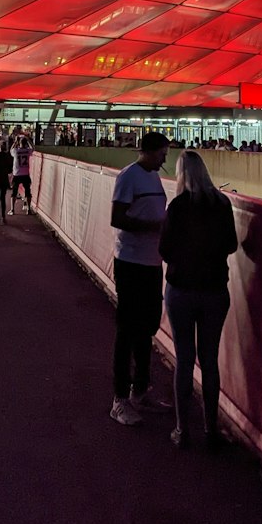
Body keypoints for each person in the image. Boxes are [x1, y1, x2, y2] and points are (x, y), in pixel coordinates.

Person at [158, 150, 238, 451]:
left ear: (181, 175)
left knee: (184, 359)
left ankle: (182, 429)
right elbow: (231, 244)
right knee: (209, 360)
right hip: (215, 289)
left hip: (181, 288)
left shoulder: (178, 206)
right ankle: (211, 429)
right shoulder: (222, 203)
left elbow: (164, 248)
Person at [108, 131, 170, 426]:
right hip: (131, 261)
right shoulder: (128, 176)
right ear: (148, 151)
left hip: (151, 262)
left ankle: (140, 390)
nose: (165, 159)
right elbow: (117, 218)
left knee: (147, 326)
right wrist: (150, 226)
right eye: (162, 153)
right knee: (127, 329)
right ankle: (119, 399)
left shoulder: (154, 177)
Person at [9, 132, 34, 216]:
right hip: (25, 173)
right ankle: (29, 209)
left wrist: (15, 142)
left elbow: (10, 150)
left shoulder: (16, 151)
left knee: (14, 192)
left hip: (17, 173)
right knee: (28, 192)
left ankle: (12, 210)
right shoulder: (27, 151)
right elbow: (33, 148)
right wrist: (27, 139)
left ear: (19, 143)